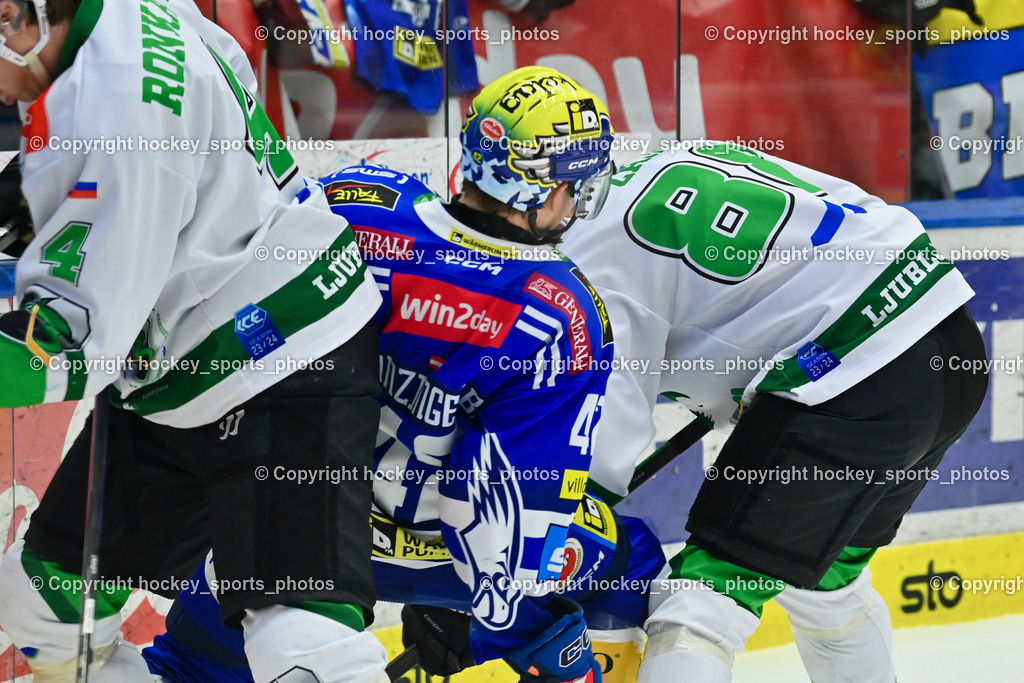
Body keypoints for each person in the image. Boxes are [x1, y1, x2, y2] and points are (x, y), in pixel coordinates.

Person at [142, 66, 665, 683]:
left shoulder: (358, 203)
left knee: (186, 664)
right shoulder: (559, 312)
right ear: (546, 193)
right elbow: (510, 533)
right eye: (576, 185)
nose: (578, 201)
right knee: (629, 558)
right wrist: (535, 630)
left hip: (297, 522)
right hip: (438, 555)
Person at [0, 0, 386, 681]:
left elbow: (67, 348)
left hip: (286, 358)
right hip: (178, 372)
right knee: (45, 598)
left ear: (16, 17)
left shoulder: (118, 111)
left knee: (302, 647)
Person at [556, 141, 989, 681]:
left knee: (701, 601)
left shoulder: (577, 266)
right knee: (824, 581)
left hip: (852, 369)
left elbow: (593, 459)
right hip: (947, 339)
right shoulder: (675, 155)